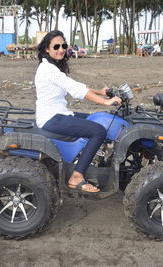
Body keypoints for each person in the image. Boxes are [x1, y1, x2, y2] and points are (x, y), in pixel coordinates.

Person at [35, 30, 121, 193]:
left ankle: (96, 158)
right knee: (98, 131)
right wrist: (106, 102)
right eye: (56, 46)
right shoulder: (48, 70)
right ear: (47, 49)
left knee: (95, 119)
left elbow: (75, 84)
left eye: (63, 45)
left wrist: (100, 92)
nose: (61, 49)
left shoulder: (52, 67)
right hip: (51, 118)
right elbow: (75, 90)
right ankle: (77, 176)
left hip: (59, 113)